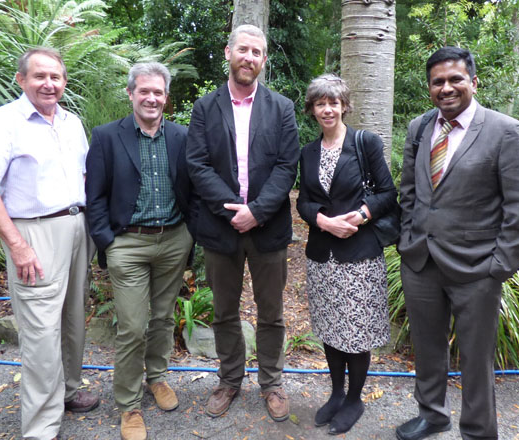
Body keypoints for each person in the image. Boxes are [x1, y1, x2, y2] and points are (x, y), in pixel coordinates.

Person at [396, 46, 519, 440]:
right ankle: (432, 415)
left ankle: (477, 430)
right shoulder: (419, 128)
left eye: (455, 79)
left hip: (477, 269)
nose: (446, 88)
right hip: (421, 262)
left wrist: (500, 265)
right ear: (429, 88)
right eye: (437, 81)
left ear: (474, 83)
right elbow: (409, 191)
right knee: (427, 348)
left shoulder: (505, 131)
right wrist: (408, 240)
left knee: (476, 358)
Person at [0, 47, 99, 440]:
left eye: (55, 77)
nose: (49, 84)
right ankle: (40, 426)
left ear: (64, 81)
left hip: (76, 227)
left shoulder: (71, 122)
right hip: (34, 234)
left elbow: (85, 177)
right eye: (39, 76)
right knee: (40, 330)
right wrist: (17, 245)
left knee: (73, 318)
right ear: (21, 80)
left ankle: (69, 392)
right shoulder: (5, 122)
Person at [186, 24, 300, 422]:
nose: (249, 57)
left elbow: (288, 166)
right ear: (228, 52)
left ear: (263, 60)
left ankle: (271, 383)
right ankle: (230, 379)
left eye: (257, 52)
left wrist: (258, 210)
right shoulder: (205, 108)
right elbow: (197, 165)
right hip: (221, 228)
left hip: (268, 227)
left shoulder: (281, 108)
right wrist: (234, 208)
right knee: (224, 312)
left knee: (271, 312)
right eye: (243, 50)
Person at [85, 62, 196, 440]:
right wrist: (107, 241)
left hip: (173, 239)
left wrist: (191, 235)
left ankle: (159, 378)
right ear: (131, 93)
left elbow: (193, 189)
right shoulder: (106, 137)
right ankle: (129, 404)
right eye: (144, 91)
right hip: (127, 244)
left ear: (167, 97)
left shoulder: (181, 136)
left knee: (164, 318)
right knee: (132, 327)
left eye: (159, 92)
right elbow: (94, 195)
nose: (152, 98)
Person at [296, 74, 396, 435]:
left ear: (344, 106)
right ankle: (336, 393)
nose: (327, 109)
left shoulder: (365, 143)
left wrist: (362, 215)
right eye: (320, 103)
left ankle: (354, 399)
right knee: (330, 327)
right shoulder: (307, 152)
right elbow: (305, 201)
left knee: (356, 330)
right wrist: (322, 221)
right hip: (322, 255)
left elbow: (387, 193)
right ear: (312, 109)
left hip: (359, 254)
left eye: (333, 102)